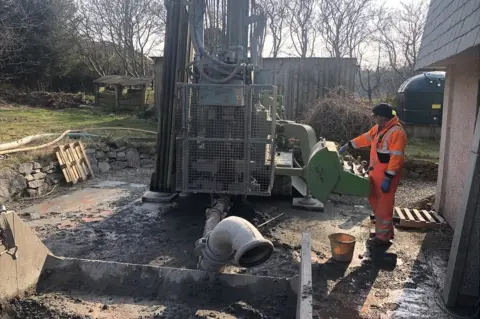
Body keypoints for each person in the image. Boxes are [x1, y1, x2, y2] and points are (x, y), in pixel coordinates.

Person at [339, 103, 407, 247]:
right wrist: (349, 145)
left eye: (375, 116)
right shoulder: (379, 129)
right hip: (375, 173)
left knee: (384, 206)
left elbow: (396, 158)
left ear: (382, 117)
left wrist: (388, 177)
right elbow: (365, 138)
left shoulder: (397, 133)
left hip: (386, 176)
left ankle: (382, 239)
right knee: (375, 202)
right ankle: (384, 232)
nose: (374, 119)